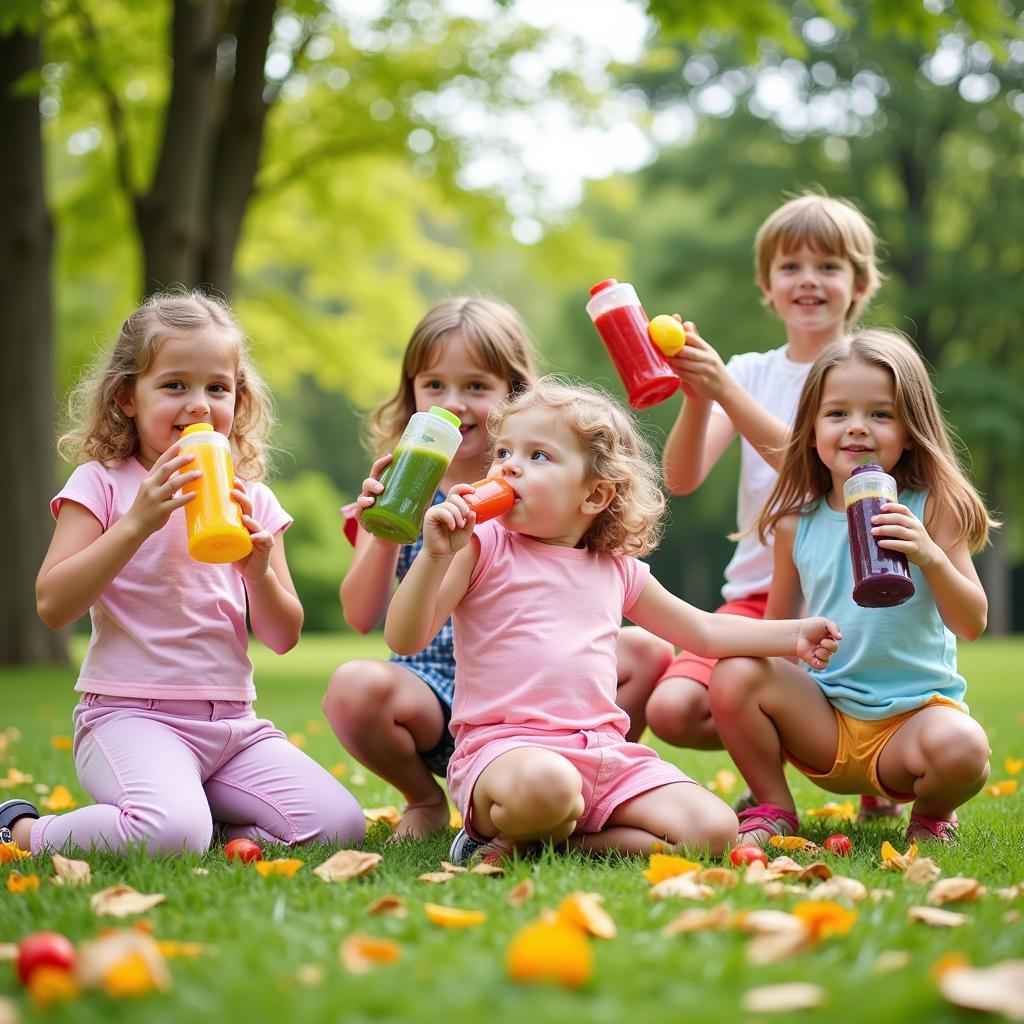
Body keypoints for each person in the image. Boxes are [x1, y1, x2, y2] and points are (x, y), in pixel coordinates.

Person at [385, 378, 842, 862]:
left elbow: (703, 632)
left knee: (714, 829)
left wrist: (792, 635)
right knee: (548, 786)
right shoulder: (482, 547)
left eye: (538, 456)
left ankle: (546, 845)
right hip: (505, 753)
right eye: (502, 453)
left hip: (604, 754)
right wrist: (434, 558)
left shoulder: (616, 568)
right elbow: (405, 637)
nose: (510, 466)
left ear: (595, 496)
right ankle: (504, 833)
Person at [1, 292, 366, 858]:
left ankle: (204, 825)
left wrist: (258, 573)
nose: (198, 405)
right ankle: (22, 829)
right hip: (128, 719)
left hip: (233, 729)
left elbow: (282, 635)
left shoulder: (254, 500)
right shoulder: (101, 484)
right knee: (167, 832)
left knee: (340, 825)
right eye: (174, 385)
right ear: (127, 396)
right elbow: (53, 604)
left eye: (216, 388)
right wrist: (137, 523)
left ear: (237, 400)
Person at [323, 299, 671, 839]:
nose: (454, 403)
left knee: (648, 649)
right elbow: (362, 614)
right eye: (434, 384)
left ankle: (591, 786)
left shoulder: (544, 495)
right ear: (412, 392)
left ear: (513, 395)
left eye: (476, 387)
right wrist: (383, 526)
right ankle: (424, 800)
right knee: (355, 685)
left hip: (543, 698)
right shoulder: (391, 492)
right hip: (433, 694)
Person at [646, 192, 898, 820]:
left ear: (860, 283)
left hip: (858, 587)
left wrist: (725, 389)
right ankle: (770, 754)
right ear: (766, 285)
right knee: (674, 708)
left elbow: (812, 474)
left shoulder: (874, 375)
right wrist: (701, 396)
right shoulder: (751, 372)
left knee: (874, 682)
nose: (807, 280)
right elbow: (680, 478)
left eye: (828, 265)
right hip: (762, 590)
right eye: (790, 266)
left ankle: (879, 778)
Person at [709, 329, 995, 846]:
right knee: (735, 671)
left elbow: (972, 623)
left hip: (911, 726)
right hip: (826, 723)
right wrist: (801, 647)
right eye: (837, 413)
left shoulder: (932, 507)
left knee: (965, 747)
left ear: (910, 430)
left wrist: (928, 553)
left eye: (880, 414)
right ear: (812, 430)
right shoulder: (797, 525)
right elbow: (776, 636)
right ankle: (773, 805)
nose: (857, 428)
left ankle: (931, 817)